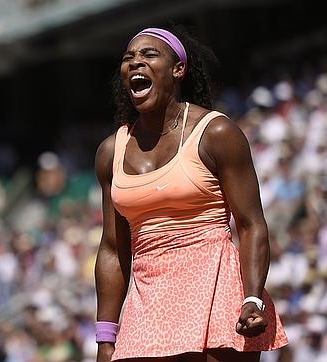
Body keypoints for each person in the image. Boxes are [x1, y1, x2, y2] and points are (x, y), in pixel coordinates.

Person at [94, 26, 289, 361]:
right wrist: (106, 336)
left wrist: (252, 298)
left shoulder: (217, 133)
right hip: (148, 302)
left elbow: (250, 224)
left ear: (178, 70)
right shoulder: (111, 151)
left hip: (215, 291)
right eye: (129, 58)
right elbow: (113, 249)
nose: (136, 62)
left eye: (149, 54)